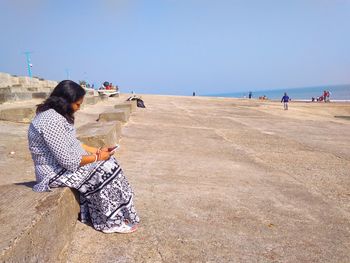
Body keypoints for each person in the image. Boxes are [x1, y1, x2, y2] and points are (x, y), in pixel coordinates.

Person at [28, 80, 139, 234]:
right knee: (103, 170)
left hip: (61, 166)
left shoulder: (57, 115)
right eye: (77, 104)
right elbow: (69, 161)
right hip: (51, 173)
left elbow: (74, 144)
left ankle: (114, 214)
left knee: (110, 163)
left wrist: (98, 151)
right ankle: (109, 222)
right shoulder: (50, 120)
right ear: (64, 101)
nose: (78, 108)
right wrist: (98, 158)